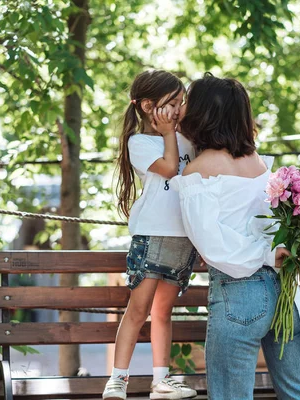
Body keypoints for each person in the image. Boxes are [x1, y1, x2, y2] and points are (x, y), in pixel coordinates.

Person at [170, 73, 300, 400]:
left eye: (188, 103)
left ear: (203, 112)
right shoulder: (258, 165)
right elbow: (273, 227)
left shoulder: (199, 170)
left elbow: (212, 244)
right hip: (282, 290)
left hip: (240, 295)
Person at [103, 70, 198, 400]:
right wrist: (170, 133)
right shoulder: (140, 143)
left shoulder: (187, 138)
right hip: (152, 235)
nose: (177, 108)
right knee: (138, 309)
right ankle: (118, 379)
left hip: (183, 238)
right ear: (147, 106)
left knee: (163, 312)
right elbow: (170, 168)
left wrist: (179, 128)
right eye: (171, 102)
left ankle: (161, 380)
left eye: (180, 101)